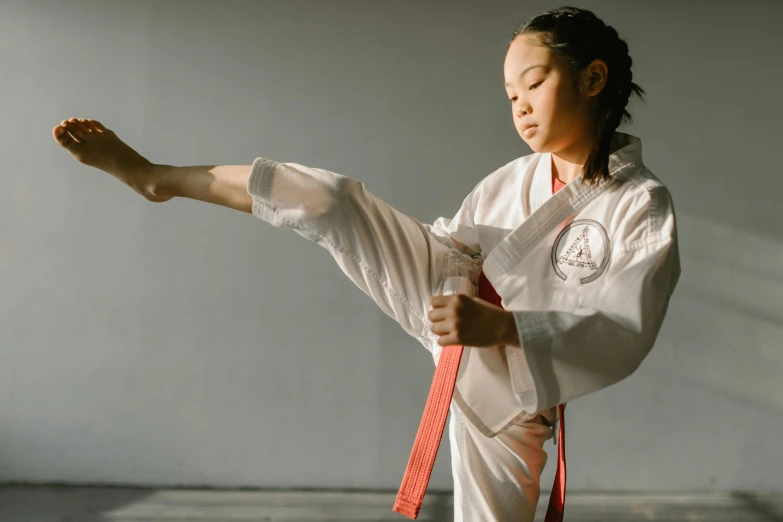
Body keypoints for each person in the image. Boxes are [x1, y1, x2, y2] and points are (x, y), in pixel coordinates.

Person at [52, 6, 680, 521]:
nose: (518, 104)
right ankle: (157, 177)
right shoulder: (514, 179)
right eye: (511, 92)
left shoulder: (640, 203)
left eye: (534, 83)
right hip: (449, 291)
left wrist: (503, 327)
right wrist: (461, 289)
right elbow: (460, 244)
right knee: (332, 200)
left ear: (593, 79)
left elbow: (623, 326)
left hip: (516, 385)